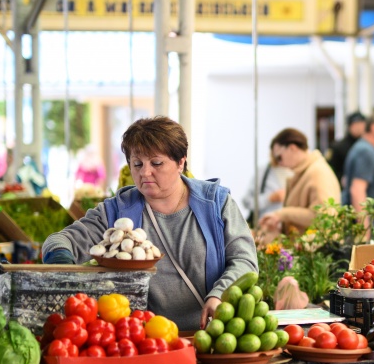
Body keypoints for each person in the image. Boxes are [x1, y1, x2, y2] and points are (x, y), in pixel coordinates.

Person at [41, 117, 257, 332]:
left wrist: (220, 294)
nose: (145, 172)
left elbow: (245, 260)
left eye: (156, 163)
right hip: (145, 341)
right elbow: (59, 240)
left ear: (181, 162)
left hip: (214, 336)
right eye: (137, 164)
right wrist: (61, 265)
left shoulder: (215, 204)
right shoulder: (116, 212)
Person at [257, 128, 341, 238]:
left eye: (279, 157)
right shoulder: (305, 172)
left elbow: (323, 216)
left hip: (317, 252)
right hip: (306, 250)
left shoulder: (317, 172)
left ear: (292, 148)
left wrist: (282, 214)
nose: (279, 163)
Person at [241, 154, 292, 223]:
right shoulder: (263, 172)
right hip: (264, 226)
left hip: (292, 227)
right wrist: (269, 198)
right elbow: (246, 202)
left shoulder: (299, 172)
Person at [328, 112, 367, 183]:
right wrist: (340, 178)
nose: (361, 127)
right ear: (350, 126)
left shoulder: (367, 146)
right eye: (357, 125)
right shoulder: (338, 146)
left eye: (363, 125)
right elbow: (329, 169)